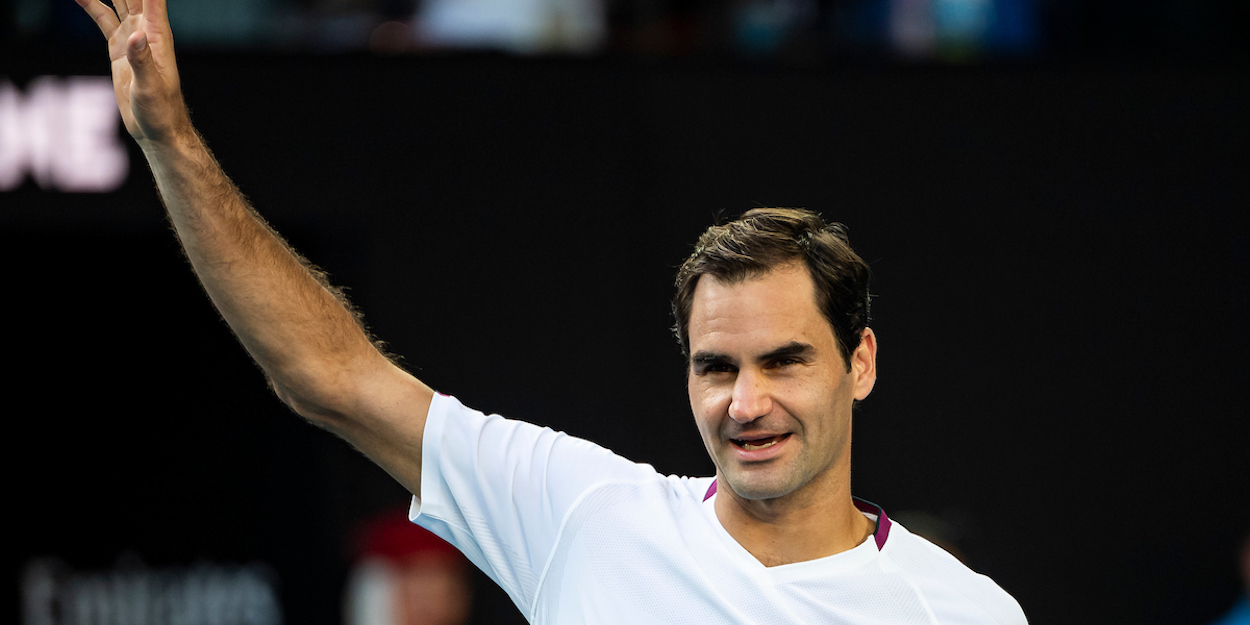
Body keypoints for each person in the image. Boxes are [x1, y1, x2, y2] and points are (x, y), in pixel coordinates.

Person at [73, 0, 1028, 621]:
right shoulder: (584, 513)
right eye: (716, 366)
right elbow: (330, 377)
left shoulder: (965, 612)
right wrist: (170, 137)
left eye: (784, 361)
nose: (745, 402)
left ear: (859, 362)